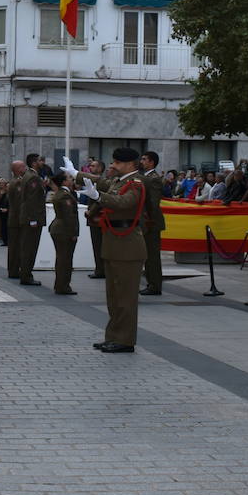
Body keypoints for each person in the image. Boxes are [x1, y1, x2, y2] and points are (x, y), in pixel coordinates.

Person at [91, 149, 147, 353]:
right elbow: (99, 181)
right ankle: (113, 336)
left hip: (128, 245)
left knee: (126, 298)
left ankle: (125, 340)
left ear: (130, 164)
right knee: (113, 296)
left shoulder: (137, 183)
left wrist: (98, 196)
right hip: (114, 243)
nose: (112, 165)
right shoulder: (118, 181)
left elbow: (124, 203)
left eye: (117, 163)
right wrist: (75, 174)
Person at [13, 156, 47, 286]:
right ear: (34, 163)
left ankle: (25, 274)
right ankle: (26, 276)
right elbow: (32, 201)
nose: (43, 163)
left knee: (28, 247)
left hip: (28, 218)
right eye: (40, 160)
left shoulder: (30, 175)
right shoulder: (32, 177)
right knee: (29, 248)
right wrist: (33, 220)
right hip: (31, 219)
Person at [138, 151, 165, 296]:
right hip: (147, 221)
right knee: (147, 255)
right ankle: (151, 283)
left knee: (152, 256)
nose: (141, 161)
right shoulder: (146, 177)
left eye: (144, 159)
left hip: (151, 223)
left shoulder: (153, 179)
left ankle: (154, 285)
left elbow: (153, 203)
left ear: (151, 162)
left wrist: (148, 221)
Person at [48, 176, 79, 295]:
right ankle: (63, 286)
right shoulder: (65, 195)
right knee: (65, 259)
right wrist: (74, 233)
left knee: (62, 258)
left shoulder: (61, 193)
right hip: (64, 230)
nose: (72, 180)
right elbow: (69, 216)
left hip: (59, 228)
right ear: (64, 181)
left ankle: (60, 284)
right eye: (69, 178)